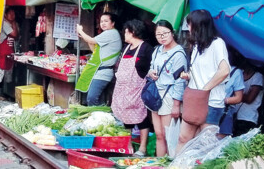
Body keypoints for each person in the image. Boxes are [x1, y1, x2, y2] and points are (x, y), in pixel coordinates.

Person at [177, 9, 230, 152]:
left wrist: (205, 89)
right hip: (194, 99)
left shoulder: (217, 43)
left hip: (211, 101)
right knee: (183, 138)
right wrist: (188, 76)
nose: (188, 28)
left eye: (190, 25)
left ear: (199, 26)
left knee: (205, 145)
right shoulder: (195, 46)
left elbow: (224, 70)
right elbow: (202, 72)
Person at [112, 20, 154, 156]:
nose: (124, 34)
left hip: (137, 89)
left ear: (133, 31)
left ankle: (142, 148)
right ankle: (128, 145)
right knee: (125, 118)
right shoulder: (126, 48)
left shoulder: (146, 48)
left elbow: (151, 68)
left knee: (141, 118)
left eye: (126, 31)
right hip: (122, 89)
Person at [147, 20, 186, 157]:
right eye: (158, 34)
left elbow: (180, 81)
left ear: (172, 33)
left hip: (169, 96)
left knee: (169, 135)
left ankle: (171, 163)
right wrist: (150, 72)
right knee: (158, 134)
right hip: (155, 95)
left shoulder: (179, 54)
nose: (162, 37)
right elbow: (151, 67)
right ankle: (159, 163)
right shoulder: (157, 50)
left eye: (165, 33)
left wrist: (176, 104)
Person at [75, 13, 122, 106]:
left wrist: (80, 31)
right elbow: (94, 50)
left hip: (103, 72)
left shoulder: (111, 33)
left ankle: (97, 117)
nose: (103, 23)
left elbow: (92, 41)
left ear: (113, 23)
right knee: (97, 99)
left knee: (91, 98)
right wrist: (86, 38)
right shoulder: (108, 34)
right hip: (100, 71)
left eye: (106, 21)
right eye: (101, 21)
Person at [0, 8, 18, 99]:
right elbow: (14, 34)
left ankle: (4, 93)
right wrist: (14, 23)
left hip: (9, 51)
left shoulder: (13, 24)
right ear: (5, 15)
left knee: (7, 73)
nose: (12, 15)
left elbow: (17, 36)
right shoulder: (4, 23)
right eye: (10, 13)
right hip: (1, 51)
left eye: (13, 13)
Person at [233, 60, 264, 136]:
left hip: (248, 118)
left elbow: (249, 99)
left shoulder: (258, 76)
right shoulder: (239, 74)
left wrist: (236, 94)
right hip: (235, 115)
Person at [217, 51, 245, 138]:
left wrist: (224, 100)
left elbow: (238, 98)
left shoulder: (236, 72)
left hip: (224, 112)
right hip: (209, 110)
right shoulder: (212, 68)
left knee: (221, 141)